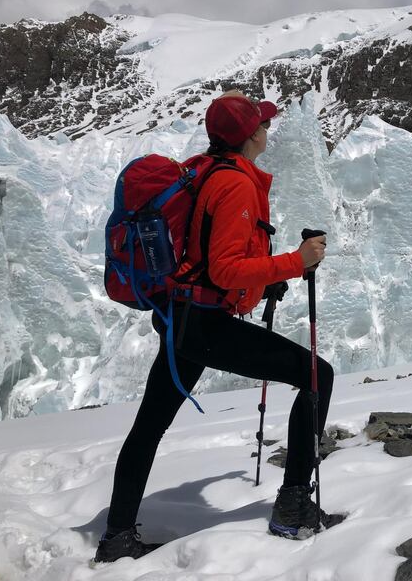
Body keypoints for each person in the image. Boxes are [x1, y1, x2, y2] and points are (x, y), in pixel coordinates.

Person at [95, 91, 335, 562]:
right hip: (204, 327)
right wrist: (294, 263)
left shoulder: (203, 169)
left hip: (181, 319)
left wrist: (262, 285)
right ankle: (292, 509)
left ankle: (117, 536)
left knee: (148, 428)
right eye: (262, 125)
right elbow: (225, 269)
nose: (268, 131)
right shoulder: (237, 185)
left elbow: (203, 258)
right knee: (315, 376)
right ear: (249, 137)